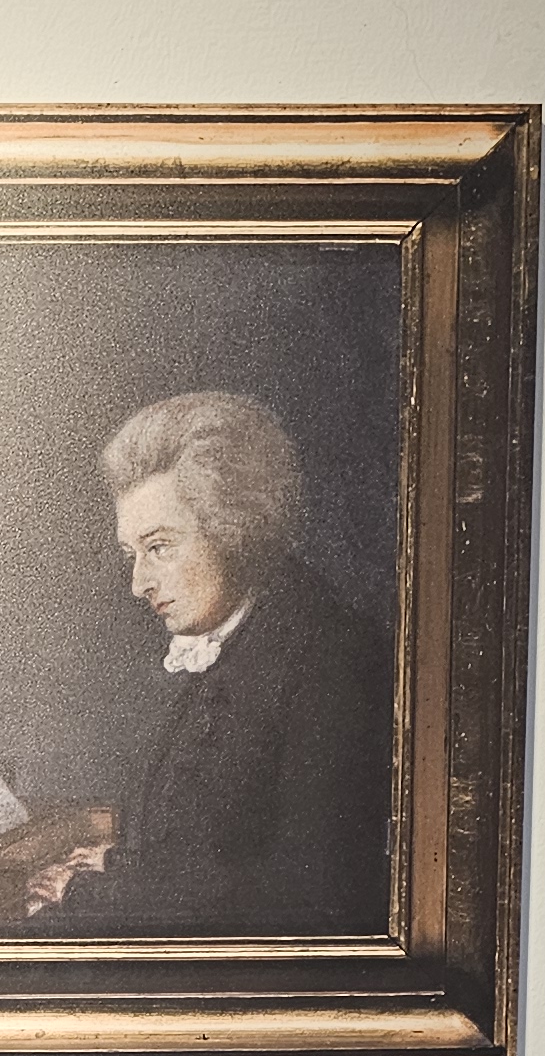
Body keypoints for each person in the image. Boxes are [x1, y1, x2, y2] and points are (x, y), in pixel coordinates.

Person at [23, 389, 394, 935]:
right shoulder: (239, 640)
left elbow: (307, 897)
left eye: (160, 547)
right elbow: (214, 844)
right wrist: (120, 862)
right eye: (132, 554)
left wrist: (87, 892)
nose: (139, 583)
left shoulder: (327, 659)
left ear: (231, 528)